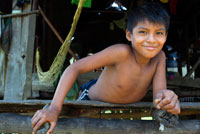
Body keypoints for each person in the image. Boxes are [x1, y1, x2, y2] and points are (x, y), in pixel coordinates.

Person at [31, 2, 180, 134]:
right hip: (90, 97)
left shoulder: (159, 57)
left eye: (158, 33)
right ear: (129, 35)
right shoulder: (121, 52)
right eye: (143, 32)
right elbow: (73, 68)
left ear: (166, 36)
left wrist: (167, 99)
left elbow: (159, 96)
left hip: (126, 106)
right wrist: (54, 109)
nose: (151, 40)